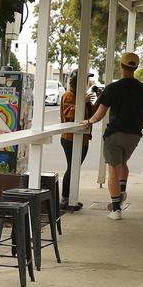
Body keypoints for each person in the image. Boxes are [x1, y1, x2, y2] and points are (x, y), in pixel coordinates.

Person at [85, 51, 143, 220]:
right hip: (134, 135)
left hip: (114, 134)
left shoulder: (113, 88)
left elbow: (99, 114)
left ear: (121, 66)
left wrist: (88, 122)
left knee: (113, 170)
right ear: (135, 67)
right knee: (123, 163)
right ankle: (122, 191)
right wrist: (137, 128)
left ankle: (116, 209)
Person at [58, 70, 96, 210]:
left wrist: (99, 99)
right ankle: (66, 199)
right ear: (76, 82)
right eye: (85, 80)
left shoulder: (82, 96)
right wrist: (83, 101)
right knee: (72, 167)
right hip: (70, 138)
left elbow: (93, 114)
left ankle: (70, 198)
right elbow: (68, 113)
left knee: (75, 167)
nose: (87, 83)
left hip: (83, 138)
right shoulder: (69, 95)